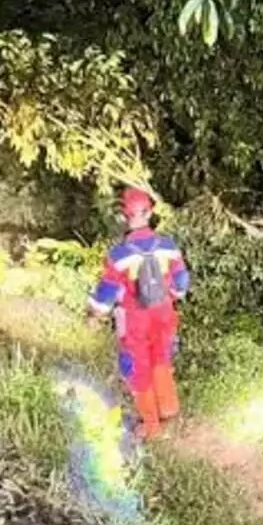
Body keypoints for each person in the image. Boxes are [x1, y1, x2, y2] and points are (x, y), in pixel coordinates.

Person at [86, 186, 191, 440]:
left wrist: (95, 316)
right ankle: (169, 413)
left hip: (134, 320)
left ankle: (151, 427)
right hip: (164, 313)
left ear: (125, 215)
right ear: (149, 212)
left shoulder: (119, 254)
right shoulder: (168, 245)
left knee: (137, 368)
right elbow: (181, 281)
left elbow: (107, 292)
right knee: (162, 359)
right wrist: (172, 295)